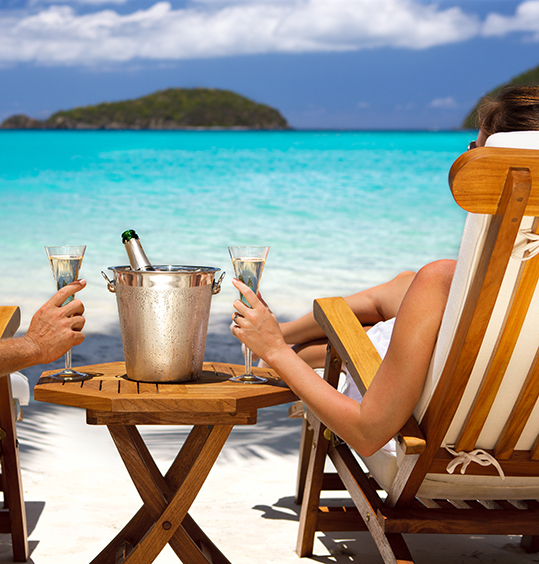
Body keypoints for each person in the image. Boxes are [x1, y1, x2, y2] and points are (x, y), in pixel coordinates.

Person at [230, 84, 539, 458]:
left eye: (473, 151)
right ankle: (297, 341)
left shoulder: (442, 282)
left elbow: (367, 432)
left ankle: (288, 345)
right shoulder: (505, 294)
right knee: (407, 285)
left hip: (428, 442)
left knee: (424, 284)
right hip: (520, 437)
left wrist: (276, 351)